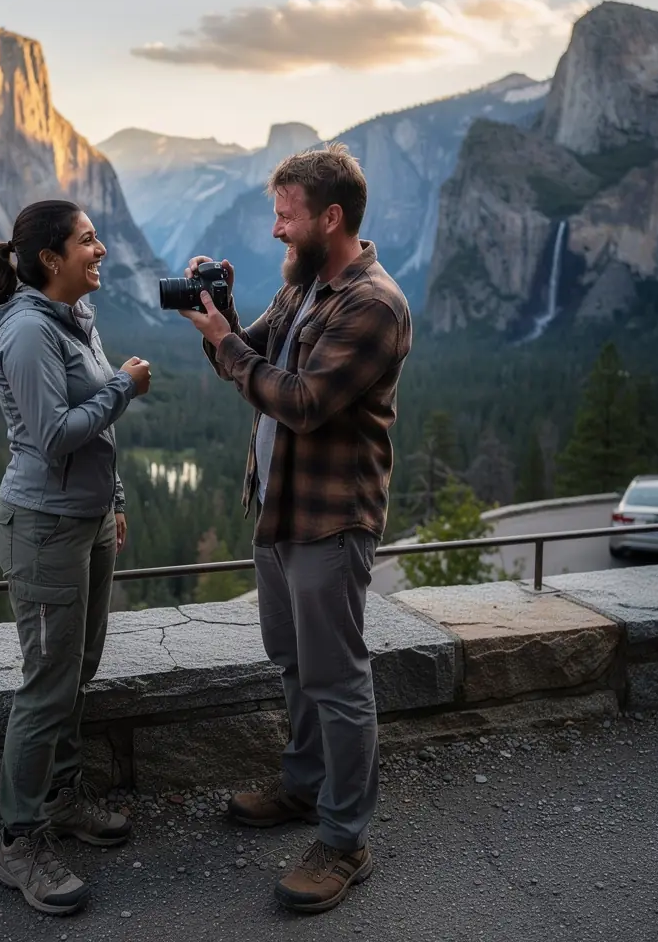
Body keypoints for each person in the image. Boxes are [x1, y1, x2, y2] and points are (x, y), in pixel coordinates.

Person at [178, 143, 412, 915]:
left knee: (339, 681)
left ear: (330, 217)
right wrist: (221, 318)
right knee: (291, 663)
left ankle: (345, 842)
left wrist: (228, 346)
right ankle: (305, 787)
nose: (276, 229)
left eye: (286, 214)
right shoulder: (307, 289)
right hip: (278, 511)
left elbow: (302, 401)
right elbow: (252, 369)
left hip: (330, 520)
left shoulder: (372, 303)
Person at [0, 199, 152, 917]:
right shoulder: (25, 332)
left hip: (83, 520)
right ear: (52, 259)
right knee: (47, 687)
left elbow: (92, 442)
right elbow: (54, 436)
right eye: (87, 239)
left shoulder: (73, 319)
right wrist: (124, 387)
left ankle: (65, 798)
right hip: (42, 527)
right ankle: (19, 843)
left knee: (79, 670)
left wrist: (112, 500)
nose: (101, 248)